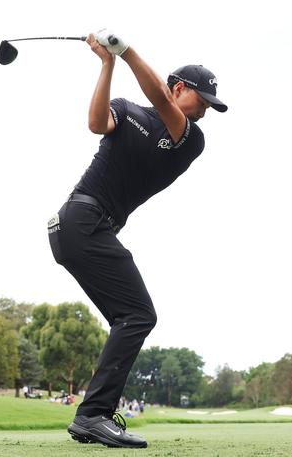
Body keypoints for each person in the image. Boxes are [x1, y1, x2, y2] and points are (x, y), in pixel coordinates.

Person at [48, 30, 227, 449]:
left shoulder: (190, 139)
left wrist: (124, 52)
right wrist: (112, 62)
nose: (204, 111)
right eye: (202, 101)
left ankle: (93, 414)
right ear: (180, 86)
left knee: (129, 317)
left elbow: (163, 104)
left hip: (87, 228)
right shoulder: (125, 110)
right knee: (138, 315)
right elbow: (96, 123)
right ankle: (93, 415)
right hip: (81, 220)